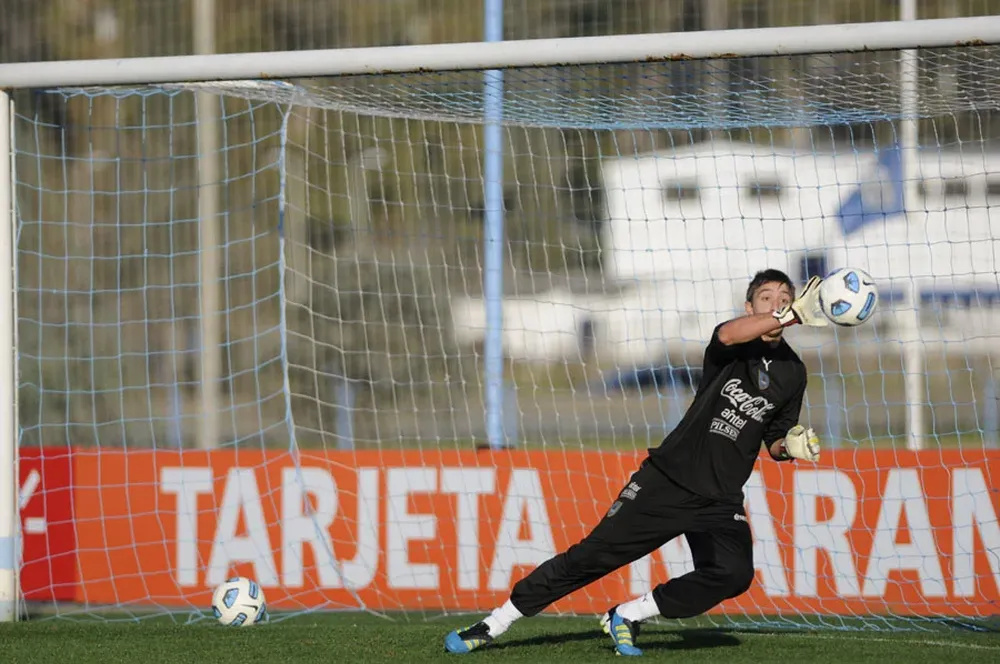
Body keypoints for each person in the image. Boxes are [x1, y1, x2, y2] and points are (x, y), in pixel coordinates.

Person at [444, 269, 827, 657]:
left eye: (784, 297)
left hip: (720, 499)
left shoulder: (793, 372)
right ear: (750, 306)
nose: (776, 303)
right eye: (767, 297)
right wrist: (790, 315)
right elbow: (728, 334)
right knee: (590, 558)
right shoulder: (731, 345)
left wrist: (789, 447)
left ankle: (628, 614)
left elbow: (775, 439)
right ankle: (494, 623)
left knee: (734, 574)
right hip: (669, 480)